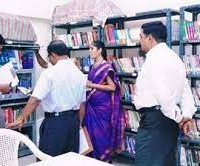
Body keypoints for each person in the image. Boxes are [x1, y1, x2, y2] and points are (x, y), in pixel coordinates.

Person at [7, 40, 86, 156]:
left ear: (53, 55)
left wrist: (20, 118)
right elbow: (82, 104)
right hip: (73, 122)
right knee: (70, 160)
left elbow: (35, 100)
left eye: (49, 57)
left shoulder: (50, 73)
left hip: (56, 124)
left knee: (48, 159)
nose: (49, 61)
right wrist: (78, 124)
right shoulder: (79, 74)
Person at [134, 21, 196, 166]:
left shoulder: (154, 59)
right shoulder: (175, 58)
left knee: (146, 161)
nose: (140, 40)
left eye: (141, 36)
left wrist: (180, 118)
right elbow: (186, 91)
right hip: (169, 122)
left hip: (156, 121)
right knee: (165, 161)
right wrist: (186, 116)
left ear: (150, 38)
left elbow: (163, 96)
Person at [80, 40, 124, 162]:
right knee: (91, 133)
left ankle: (104, 160)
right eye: (89, 49)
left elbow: (113, 87)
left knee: (102, 134)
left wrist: (92, 85)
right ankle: (94, 160)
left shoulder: (107, 67)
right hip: (91, 104)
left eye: (92, 49)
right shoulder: (92, 66)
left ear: (100, 50)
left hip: (103, 107)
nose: (90, 51)